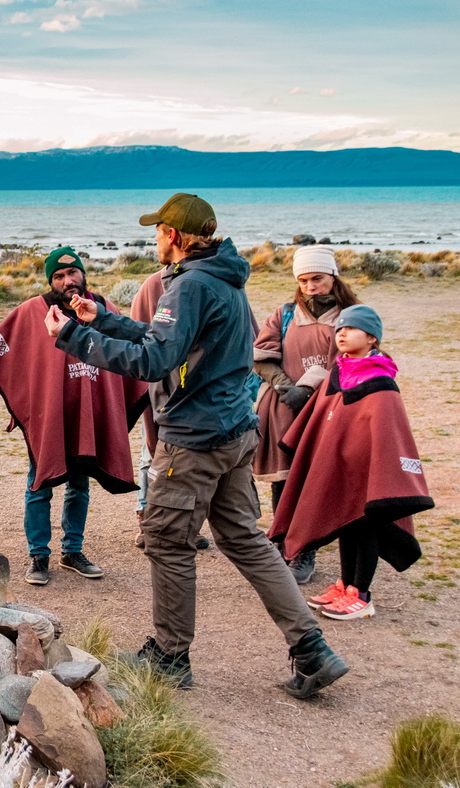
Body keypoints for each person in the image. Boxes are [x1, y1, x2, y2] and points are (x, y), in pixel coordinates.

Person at [44, 192, 348, 699]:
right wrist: (101, 318)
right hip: (233, 433)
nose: (155, 238)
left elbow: (154, 362)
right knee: (245, 539)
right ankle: (313, 648)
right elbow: (172, 340)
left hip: (193, 443)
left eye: (160, 230)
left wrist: (74, 338)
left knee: (167, 541)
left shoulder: (188, 286)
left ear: (178, 237)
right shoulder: (224, 279)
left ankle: (169, 655)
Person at [0, 247, 146, 585]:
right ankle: (38, 556)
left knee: (80, 482)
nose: (68, 281)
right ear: (51, 281)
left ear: (82, 274)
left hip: (89, 412)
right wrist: (24, 402)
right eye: (59, 276)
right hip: (48, 414)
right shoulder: (32, 312)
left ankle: (73, 551)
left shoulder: (103, 309)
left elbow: (132, 354)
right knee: (39, 481)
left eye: (73, 273)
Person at [269, 305, 433, 621]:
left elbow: (387, 433)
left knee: (365, 527)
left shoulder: (380, 381)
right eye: (340, 329)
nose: (341, 333)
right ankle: (344, 585)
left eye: (351, 329)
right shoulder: (338, 373)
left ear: (371, 337)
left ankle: (361, 595)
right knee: (343, 524)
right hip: (340, 469)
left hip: (368, 475)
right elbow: (320, 420)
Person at [254, 245, 359, 584]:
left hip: (331, 409)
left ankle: (305, 549)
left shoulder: (350, 315)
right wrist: (288, 388)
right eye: (304, 280)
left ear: (333, 276)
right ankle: (284, 544)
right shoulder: (284, 314)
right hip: (284, 409)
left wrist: (311, 386)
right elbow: (261, 356)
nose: (311, 287)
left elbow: (356, 360)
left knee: (317, 482)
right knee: (284, 478)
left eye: (318, 278)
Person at [131, 269, 217, 553]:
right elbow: (140, 341)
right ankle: (146, 519)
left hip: (194, 395)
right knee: (150, 456)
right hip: (158, 391)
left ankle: (187, 524)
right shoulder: (151, 286)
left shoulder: (205, 282)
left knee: (189, 461)